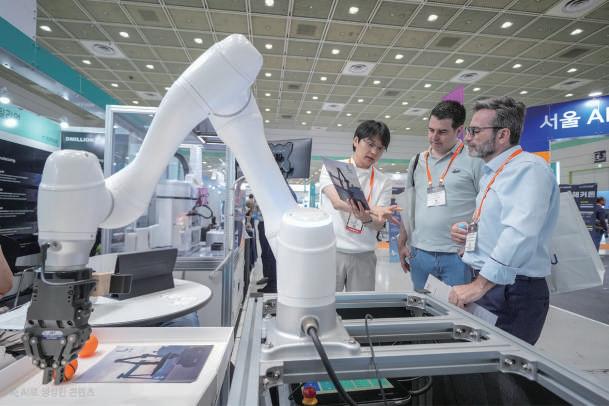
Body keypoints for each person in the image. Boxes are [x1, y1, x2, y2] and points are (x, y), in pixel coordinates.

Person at [449, 96, 559, 345]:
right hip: (492, 283)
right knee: (480, 359)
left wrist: (479, 285)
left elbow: (520, 234)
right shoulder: (493, 172)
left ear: (502, 135)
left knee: (500, 363)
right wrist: (469, 234)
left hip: (513, 291)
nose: (467, 138)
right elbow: (501, 225)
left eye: (475, 131)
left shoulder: (529, 169)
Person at [398, 101, 483, 290]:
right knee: (421, 306)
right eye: (431, 130)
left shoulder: (474, 159)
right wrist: (402, 241)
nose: (434, 137)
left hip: (457, 256)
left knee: (455, 308)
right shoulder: (417, 161)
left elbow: (486, 206)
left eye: (442, 132)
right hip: (419, 253)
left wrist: (473, 245)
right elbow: (409, 204)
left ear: (459, 130)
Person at [319, 120, 397, 292]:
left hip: (364, 255)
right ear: (356, 141)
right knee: (327, 303)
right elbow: (337, 202)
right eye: (370, 144)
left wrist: (367, 218)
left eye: (380, 148)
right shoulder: (333, 168)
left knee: (360, 306)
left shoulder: (384, 181)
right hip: (331, 251)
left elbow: (378, 224)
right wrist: (372, 210)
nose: (374, 151)